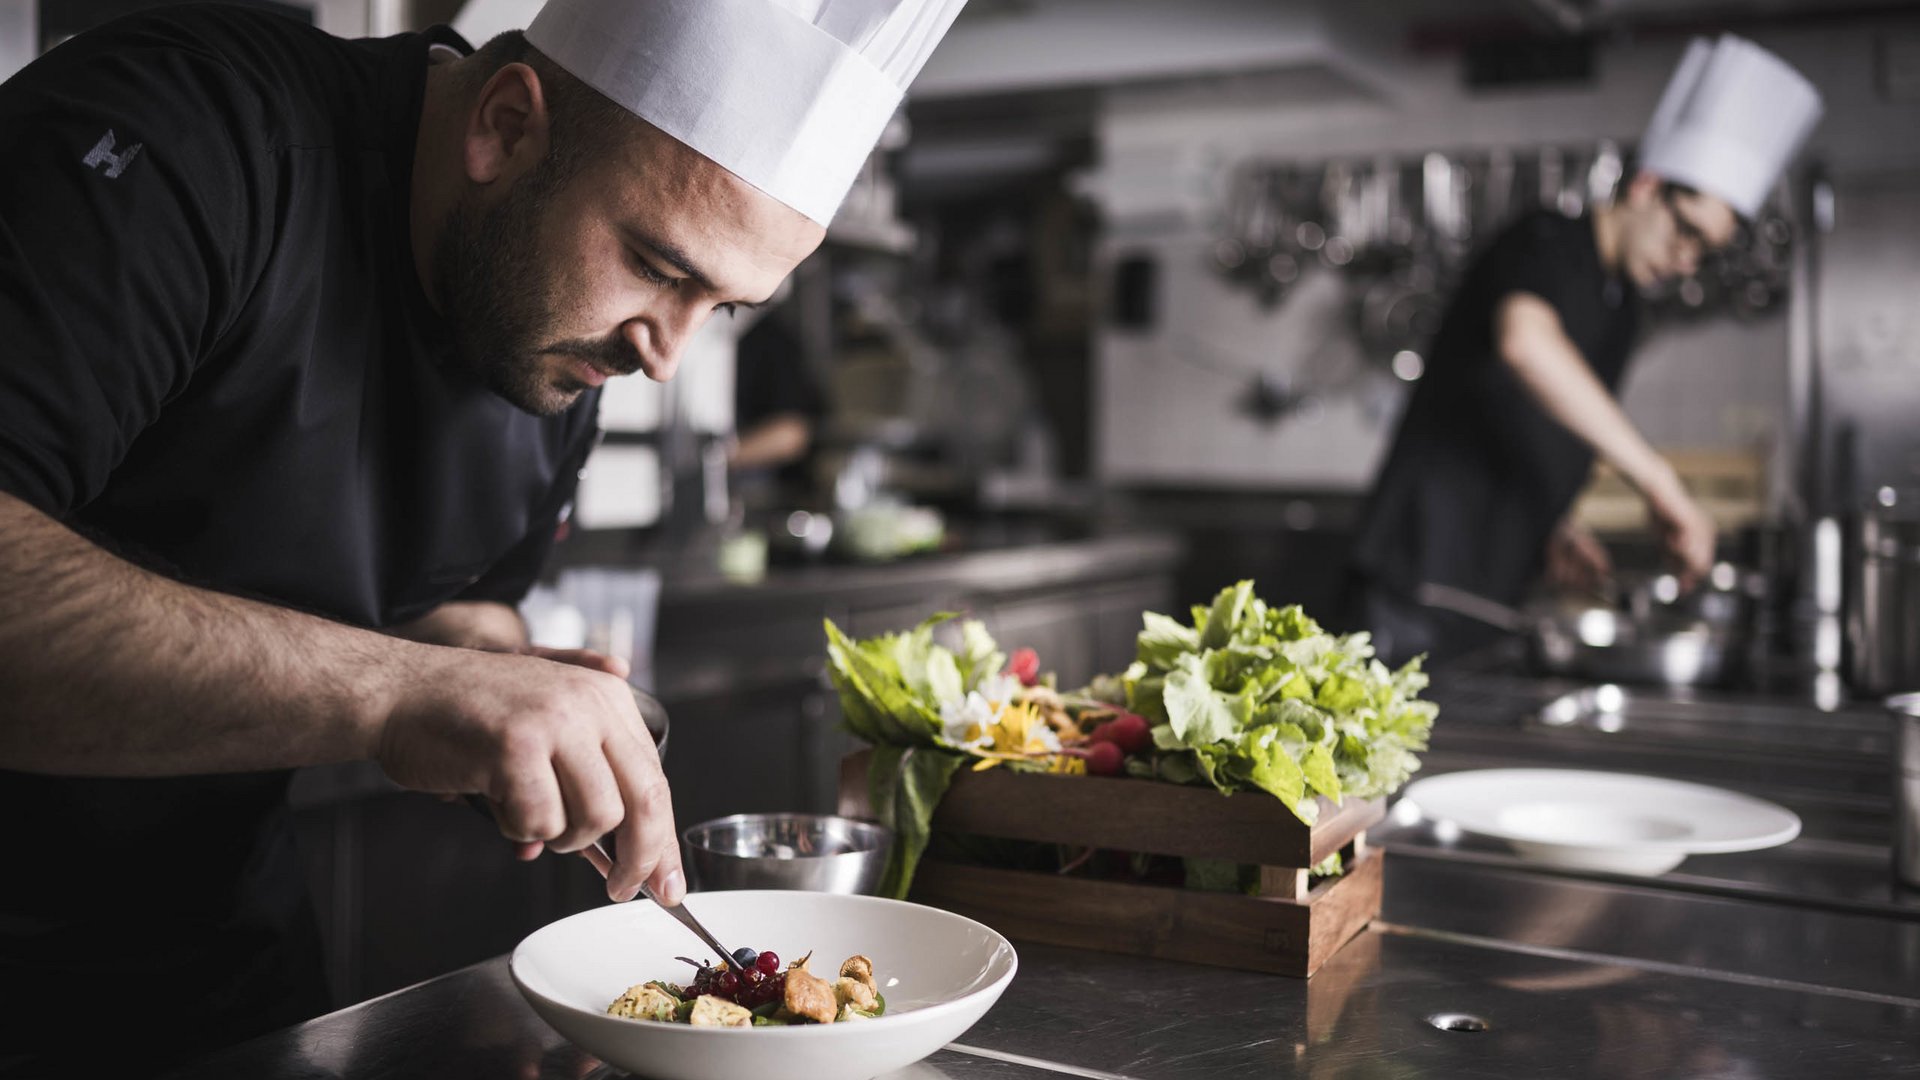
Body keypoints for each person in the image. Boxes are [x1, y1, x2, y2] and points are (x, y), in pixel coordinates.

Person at [0, 0, 965, 1072]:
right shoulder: (187, 136)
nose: (665, 356)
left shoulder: (558, 347)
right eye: (657, 265)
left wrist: (495, 675)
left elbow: (436, 607)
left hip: (222, 964)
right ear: (506, 127)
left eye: (723, 308)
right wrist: (401, 692)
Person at [1345, 35, 1822, 665]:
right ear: (1647, 187)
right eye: (1686, 231)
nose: (1686, 260)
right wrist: (1661, 484)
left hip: (1489, 597)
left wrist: (1551, 524)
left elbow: (1530, 417)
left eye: (1703, 251)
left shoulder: (1622, 309)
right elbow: (1526, 345)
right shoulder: (1546, 240)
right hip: (1415, 580)